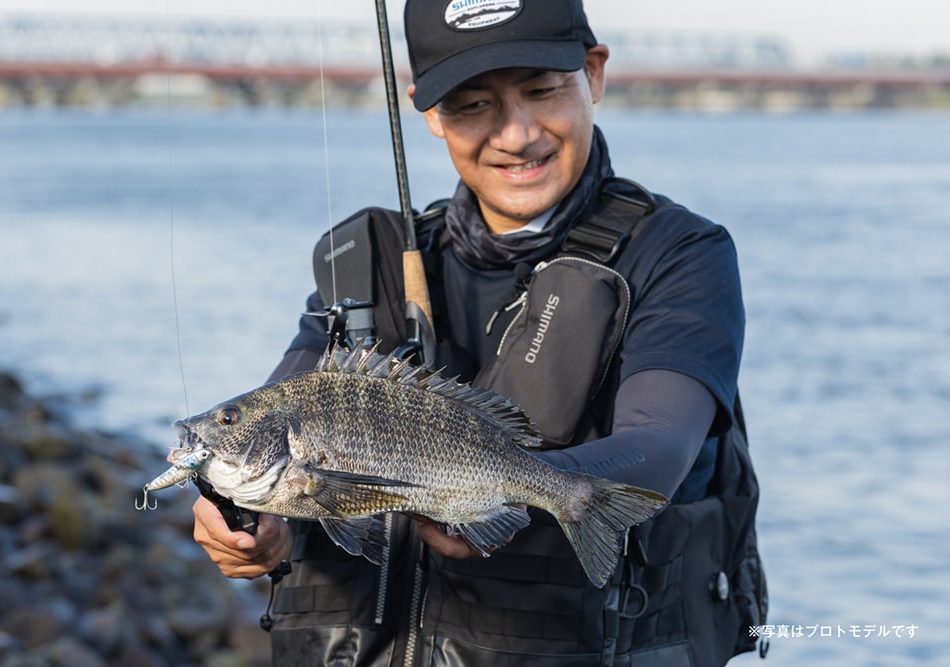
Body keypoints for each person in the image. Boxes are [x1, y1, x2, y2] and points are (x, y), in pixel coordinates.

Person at [191, 1, 767, 665]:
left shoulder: (678, 254)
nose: (516, 134)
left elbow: (659, 443)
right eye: (471, 104)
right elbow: (277, 415)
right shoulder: (367, 260)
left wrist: (501, 491)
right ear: (429, 111)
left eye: (542, 90)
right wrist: (249, 523)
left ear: (595, 73)